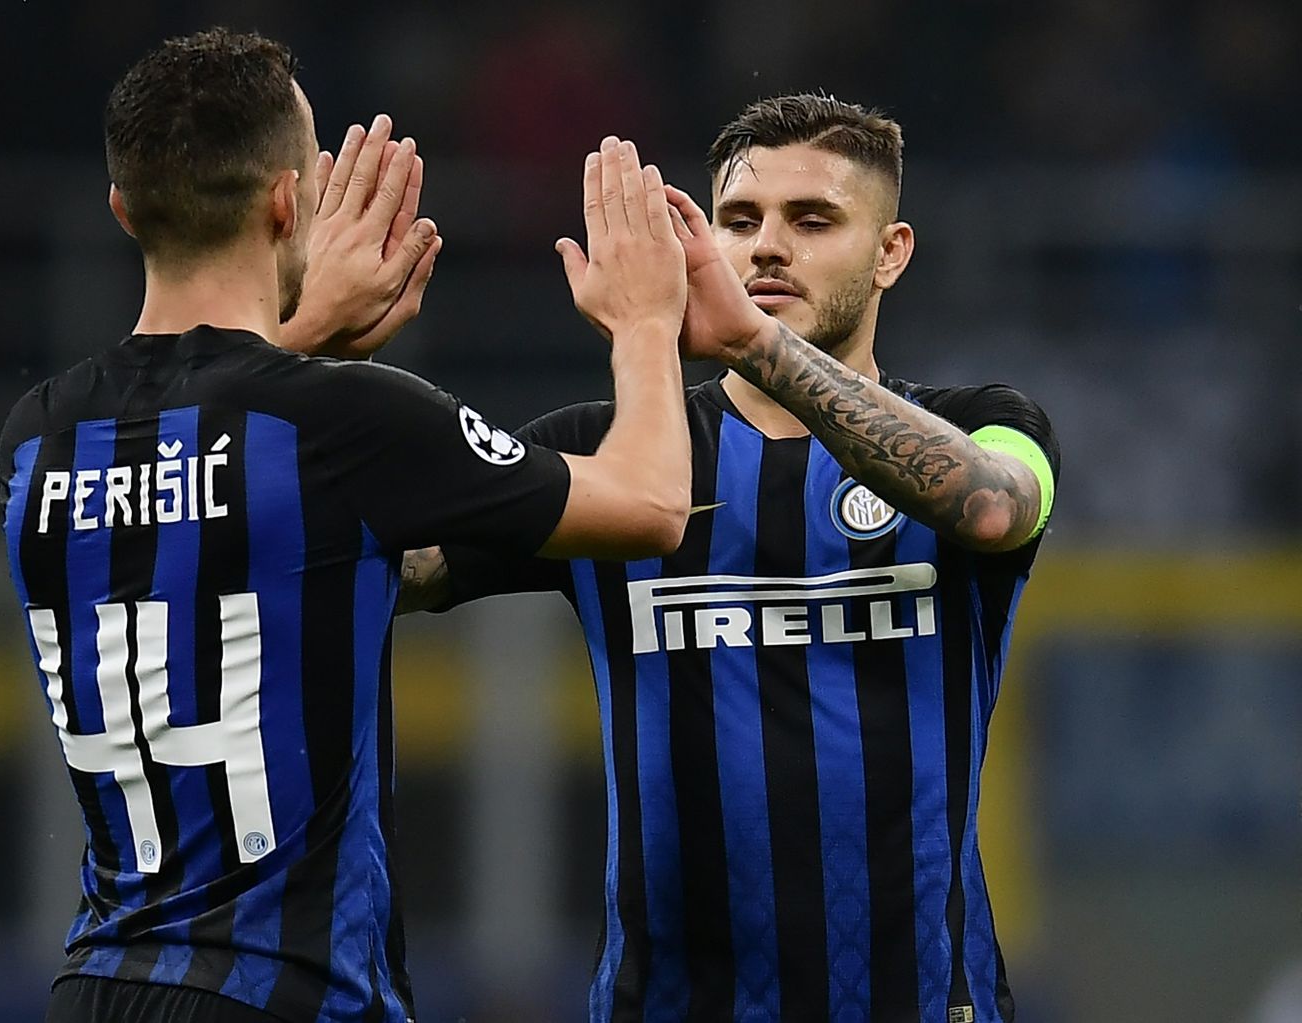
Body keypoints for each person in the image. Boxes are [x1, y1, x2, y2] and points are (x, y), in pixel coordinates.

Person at [0, 27, 701, 1023]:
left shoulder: (36, 439)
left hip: (96, 986)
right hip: (289, 992)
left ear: (121, 208)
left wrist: (298, 338)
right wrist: (645, 322)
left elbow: (203, 485)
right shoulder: (342, 422)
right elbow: (653, 505)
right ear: (289, 202)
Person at [397, 95, 1061, 1022]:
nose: (767, 247)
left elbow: (993, 509)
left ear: (891, 253)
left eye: (813, 220)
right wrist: (309, 363)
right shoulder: (604, 455)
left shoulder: (986, 423)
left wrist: (753, 340)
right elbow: (387, 569)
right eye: (740, 220)